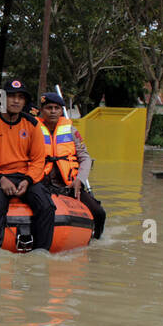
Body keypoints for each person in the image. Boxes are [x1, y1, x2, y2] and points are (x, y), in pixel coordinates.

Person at [0, 78, 54, 251]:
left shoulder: (32, 124)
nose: (16, 100)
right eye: (11, 96)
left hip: (24, 176)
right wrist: (0, 179)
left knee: (46, 206)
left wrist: (29, 180)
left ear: (25, 101)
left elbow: (39, 159)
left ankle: (41, 253)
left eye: (20, 97)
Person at [38, 92, 106, 239]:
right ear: (42, 110)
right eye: (49, 108)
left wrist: (80, 179)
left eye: (57, 108)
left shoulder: (71, 131)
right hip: (42, 184)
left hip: (70, 185)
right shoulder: (33, 131)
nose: (53, 111)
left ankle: (96, 239)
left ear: (62, 111)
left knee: (99, 212)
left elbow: (85, 158)